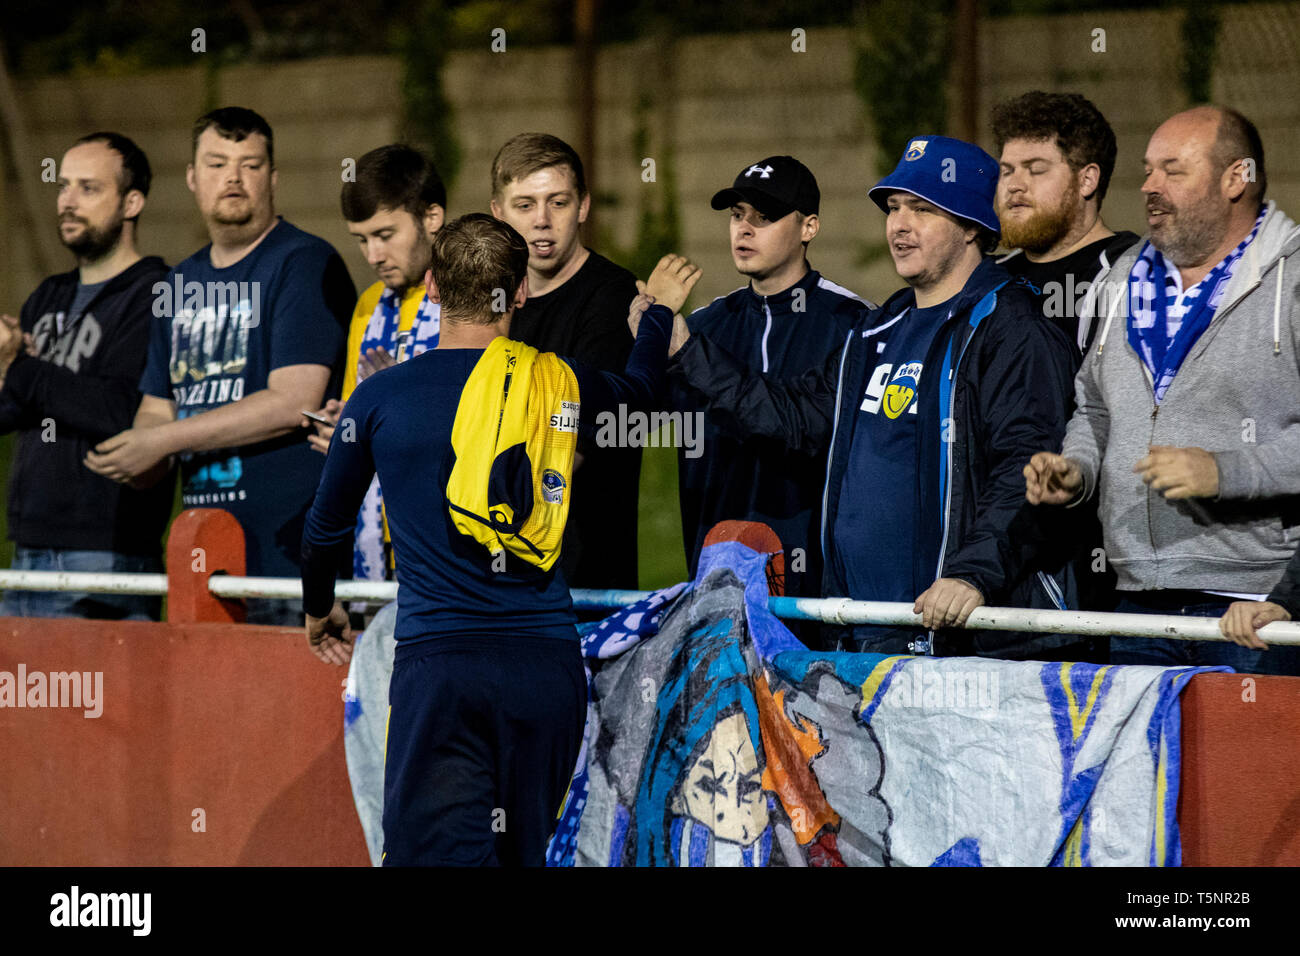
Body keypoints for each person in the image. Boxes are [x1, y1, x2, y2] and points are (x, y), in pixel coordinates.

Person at [299, 212, 700, 865]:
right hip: (545, 669)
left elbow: (325, 527)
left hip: (443, 670)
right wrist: (654, 314)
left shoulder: (381, 398)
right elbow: (641, 394)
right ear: (518, 294)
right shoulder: (556, 383)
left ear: (432, 287)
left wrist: (320, 607)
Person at [670, 136, 1076, 657]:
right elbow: (794, 418)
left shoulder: (1012, 326)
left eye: (922, 209)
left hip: (964, 636)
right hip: (860, 630)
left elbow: (1024, 469)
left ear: (973, 226)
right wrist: (684, 349)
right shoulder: (880, 326)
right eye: (893, 207)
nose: (899, 225)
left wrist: (972, 576)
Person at [1025, 106, 1300, 676]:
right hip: (1138, 603)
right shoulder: (1122, 277)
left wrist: (1227, 471)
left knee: (1244, 769)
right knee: (1147, 771)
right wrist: (1077, 470)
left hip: (1256, 606)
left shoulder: (1291, 280)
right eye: (1149, 170)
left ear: (1236, 178)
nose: (1149, 186)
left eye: (1173, 171)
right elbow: (1095, 406)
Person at [84, 107, 354, 626]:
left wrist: (163, 441)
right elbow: (156, 411)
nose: (233, 177)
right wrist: (137, 457)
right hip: (203, 559)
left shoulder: (303, 262)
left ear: (273, 179)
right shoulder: (177, 283)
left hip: (291, 561)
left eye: (250, 165)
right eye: (216, 163)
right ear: (191, 177)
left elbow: (294, 401)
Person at [672, 156, 873, 622]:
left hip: (816, 596)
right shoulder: (704, 326)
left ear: (810, 227)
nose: (744, 229)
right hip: (714, 586)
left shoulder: (854, 324)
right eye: (737, 215)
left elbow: (797, 425)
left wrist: (683, 348)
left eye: (763, 218)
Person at [0, 132, 173, 619]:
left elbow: (119, 410)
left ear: (132, 202)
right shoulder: (48, 295)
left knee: (98, 699)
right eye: (63, 187)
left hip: (108, 555)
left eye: (89, 189)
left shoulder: (156, 293)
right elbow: (14, 406)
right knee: (26, 698)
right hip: (27, 548)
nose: (68, 201)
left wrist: (19, 367)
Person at [490, 133, 642, 591]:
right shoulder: (490, 299)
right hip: (496, 565)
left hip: (583, 577)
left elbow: (572, 444)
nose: (541, 221)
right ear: (497, 212)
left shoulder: (613, 297)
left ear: (583, 207)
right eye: (524, 205)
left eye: (557, 202)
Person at [303, 144, 446, 591]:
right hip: (372, 545)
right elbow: (358, 412)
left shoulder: (473, 298)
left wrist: (398, 400)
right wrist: (341, 431)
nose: (372, 255)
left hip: (444, 542)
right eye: (361, 239)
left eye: (385, 234)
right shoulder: (367, 306)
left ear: (432, 217)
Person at [992, 91, 1139, 353]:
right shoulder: (988, 276)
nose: (1014, 185)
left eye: (1036, 169)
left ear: (1086, 180)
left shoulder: (1130, 275)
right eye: (1007, 171)